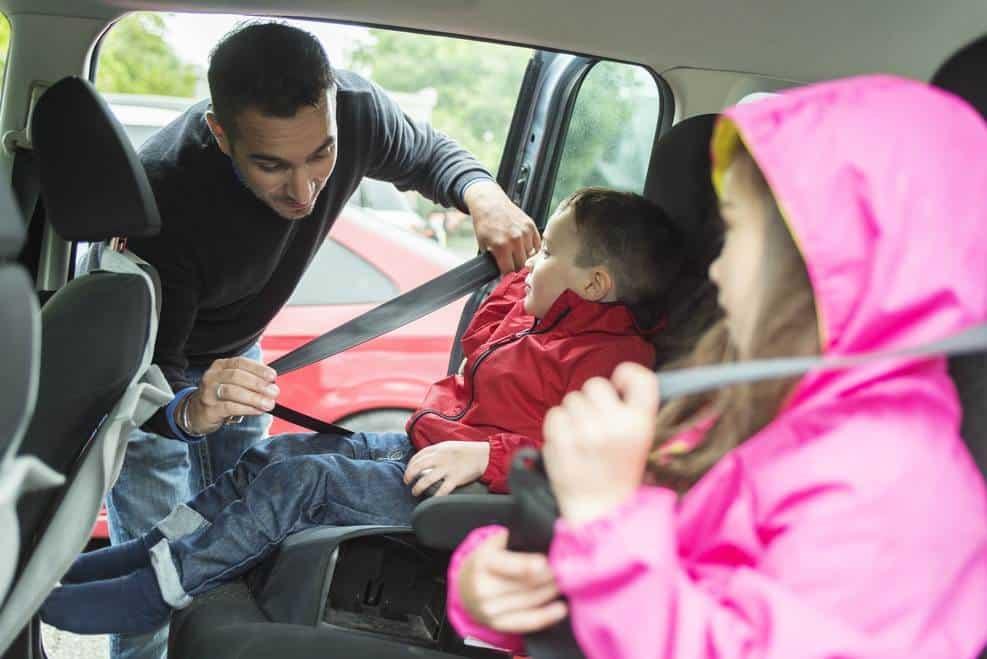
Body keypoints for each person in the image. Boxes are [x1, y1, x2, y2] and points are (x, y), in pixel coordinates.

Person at [446, 76, 987, 658]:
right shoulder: (748, 413)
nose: (718, 271)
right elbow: (624, 579)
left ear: (823, 265)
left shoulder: (894, 493)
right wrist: (492, 582)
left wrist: (606, 523)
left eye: (734, 236)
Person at [42, 187, 696, 635]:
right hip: (420, 449)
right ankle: (150, 549)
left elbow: (602, 460)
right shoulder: (544, 321)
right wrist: (516, 274)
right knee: (271, 453)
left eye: (550, 250)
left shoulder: (613, 362)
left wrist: (487, 456)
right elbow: (481, 342)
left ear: (594, 285)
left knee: (306, 482)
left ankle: (155, 590)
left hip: (464, 488)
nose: (537, 260)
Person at [105, 21, 539, 657]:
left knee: (247, 552)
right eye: (272, 165)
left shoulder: (356, 112)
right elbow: (155, 385)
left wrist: (483, 195)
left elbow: (432, 157)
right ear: (221, 134)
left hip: (244, 361)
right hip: (156, 379)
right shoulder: (165, 193)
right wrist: (188, 411)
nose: (305, 189)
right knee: (157, 577)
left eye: (322, 155)